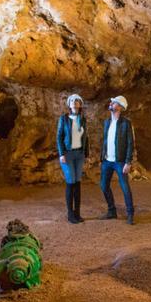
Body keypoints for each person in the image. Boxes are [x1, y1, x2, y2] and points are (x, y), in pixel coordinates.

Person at [99, 95, 135, 225]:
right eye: (111, 102)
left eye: (114, 103)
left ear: (119, 107)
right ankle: (112, 211)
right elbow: (105, 141)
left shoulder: (126, 123)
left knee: (125, 187)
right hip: (107, 161)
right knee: (103, 185)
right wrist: (102, 158)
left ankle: (130, 214)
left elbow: (130, 144)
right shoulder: (107, 122)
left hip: (120, 161)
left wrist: (128, 162)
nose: (111, 103)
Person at [57, 94, 88, 224]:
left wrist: (86, 154)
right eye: (73, 101)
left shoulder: (83, 119)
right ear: (69, 104)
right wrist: (61, 154)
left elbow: (86, 137)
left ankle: (77, 213)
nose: (75, 103)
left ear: (80, 104)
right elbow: (59, 137)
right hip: (68, 154)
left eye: (77, 101)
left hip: (79, 154)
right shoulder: (64, 119)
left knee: (78, 182)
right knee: (70, 181)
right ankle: (70, 214)